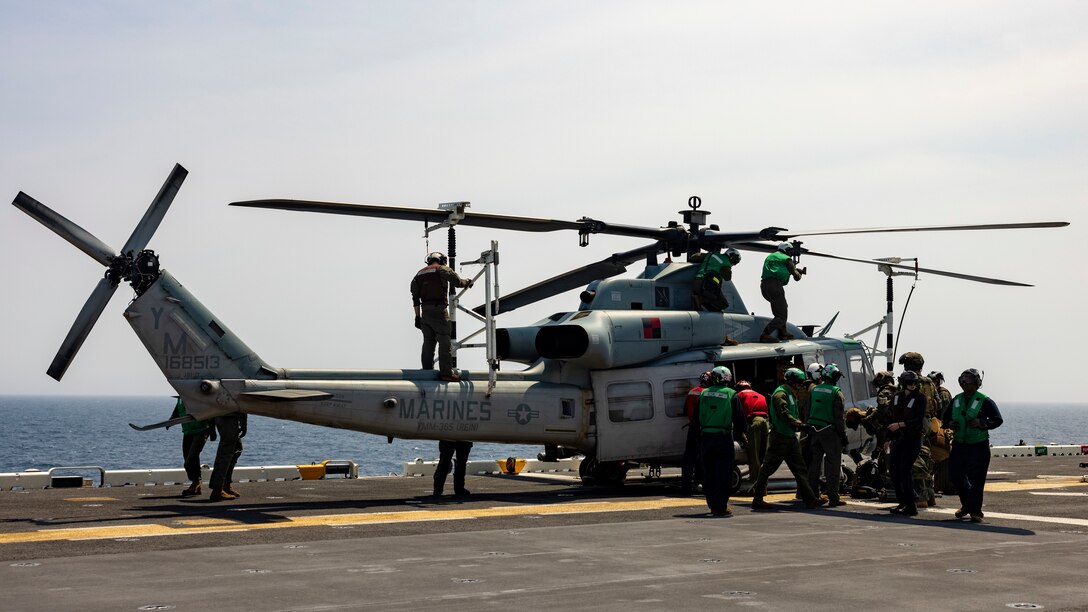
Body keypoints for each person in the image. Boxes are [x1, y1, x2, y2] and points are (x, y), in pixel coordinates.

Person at [750, 368, 825, 510]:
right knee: (767, 469)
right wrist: (799, 424)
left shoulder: (790, 393)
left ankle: (810, 499)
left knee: (800, 469)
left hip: (790, 437)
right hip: (780, 437)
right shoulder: (780, 394)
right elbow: (784, 413)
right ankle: (757, 499)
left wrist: (799, 425)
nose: (801, 384)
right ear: (792, 380)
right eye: (799, 382)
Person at [941, 368, 1003, 523]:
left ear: (976, 383)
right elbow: (944, 420)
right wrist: (950, 424)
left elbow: (997, 419)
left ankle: (976, 511)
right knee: (955, 477)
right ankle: (966, 505)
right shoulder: (956, 400)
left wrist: (982, 423)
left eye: (967, 379)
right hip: (959, 445)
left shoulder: (985, 400)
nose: (963, 382)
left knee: (976, 480)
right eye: (961, 379)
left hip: (978, 446)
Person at [411, 251, 473, 382]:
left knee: (428, 342)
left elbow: (415, 299)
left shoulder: (418, 275)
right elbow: (457, 282)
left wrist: (417, 317)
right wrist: (467, 282)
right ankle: (446, 373)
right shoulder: (442, 269)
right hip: (439, 311)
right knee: (444, 342)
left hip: (425, 314)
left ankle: (427, 372)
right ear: (442, 260)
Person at [697, 366, 747, 516]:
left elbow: (695, 418)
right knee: (724, 473)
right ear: (727, 378)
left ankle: (712, 504)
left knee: (709, 473)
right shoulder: (731, 394)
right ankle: (720, 507)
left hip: (705, 437)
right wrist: (743, 435)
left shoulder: (704, 393)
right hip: (723, 437)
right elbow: (739, 420)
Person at [807, 363, 848, 507]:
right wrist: (843, 436)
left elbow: (808, 410)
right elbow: (839, 418)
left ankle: (813, 497)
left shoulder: (814, 390)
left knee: (814, 465)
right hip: (830, 431)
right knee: (833, 465)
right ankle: (833, 498)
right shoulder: (836, 392)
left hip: (814, 430)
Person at [887, 370, 926, 516]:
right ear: (903, 383)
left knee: (905, 470)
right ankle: (902, 502)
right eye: (909, 382)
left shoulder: (920, 398)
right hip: (897, 439)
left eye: (915, 382)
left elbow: (918, 420)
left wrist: (901, 425)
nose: (912, 385)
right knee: (893, 470)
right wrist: (887, 438)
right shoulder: (896, 397)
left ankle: (911, 505)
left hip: (912, 439)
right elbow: (890, 417)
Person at [759, 242, 804, 343]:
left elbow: (776, 269)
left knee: (782, 308)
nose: (791, 254)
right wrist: (799, 273)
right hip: (775, 286)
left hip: (764, 286)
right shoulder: (786, 259)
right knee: (781, 315)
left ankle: (783, 332)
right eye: (790, 251)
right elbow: (796, 277)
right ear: (787, 250)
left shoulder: (770, 256)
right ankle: (765, 335)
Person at [169, 397, 212, 497]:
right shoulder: (180, 397)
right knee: (187, 457)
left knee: (191, 458)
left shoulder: (195, 393)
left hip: (201, 430)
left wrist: (212, 429)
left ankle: (196, 483)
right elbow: (177, 411)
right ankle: (196, 483)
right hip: (187, 431)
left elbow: (209, 410)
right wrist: (170, 421)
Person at [680, 371, 713, 495]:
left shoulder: (692, 391)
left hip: (692, 428)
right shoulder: (709, 393)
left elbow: (684, 410)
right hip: (705, 429)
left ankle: (686, 487)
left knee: (688, 459)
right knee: (705, 458)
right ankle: (704, 486)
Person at [735, 380, 769, 488]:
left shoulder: (739, 395)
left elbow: (739, 415)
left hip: (753, 423)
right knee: (763, 456)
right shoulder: (760, 395)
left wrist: (739, 433)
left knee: (754, 456)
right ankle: (764, 485)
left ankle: (755, 485)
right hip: (765, 423)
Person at [208, 411, 246, 501]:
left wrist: (211, 425)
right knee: (225, 454)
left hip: (221, 416)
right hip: (229, 418)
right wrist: (244, 424)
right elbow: (241, 402)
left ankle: (225, 485)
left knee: (236, 450)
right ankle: (217, 490)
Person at [691, 248, 741, 312]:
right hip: (707, 286)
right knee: (723, 304)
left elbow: (693, 257)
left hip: (696, 282)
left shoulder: (711, 255)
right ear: (732, 257)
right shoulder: (726, 263)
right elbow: (727, 277)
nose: (734, 264)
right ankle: (701, 300)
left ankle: (699, 303)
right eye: (735, 262)